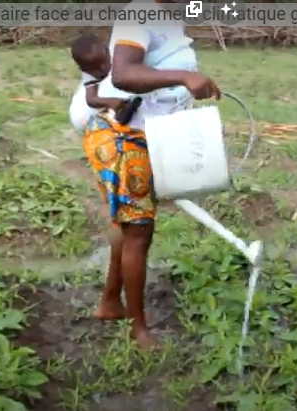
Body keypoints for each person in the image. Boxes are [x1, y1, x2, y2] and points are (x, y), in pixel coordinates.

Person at [81, 0, 220, 350]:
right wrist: (185, 76)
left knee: (130, 227)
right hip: (124, 139)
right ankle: (138, 329)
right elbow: (124, 75)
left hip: (151, 136)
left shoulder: (168, 16)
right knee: (139, 232)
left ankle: (110, 302)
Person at [68, 34, 125, 132]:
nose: (103, 68)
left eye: (104, 60)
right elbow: (91, 99)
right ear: (83, 69)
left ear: (106, 49)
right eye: (95, 68)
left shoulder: (117, 51)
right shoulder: (88, 74)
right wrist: (112, 102)